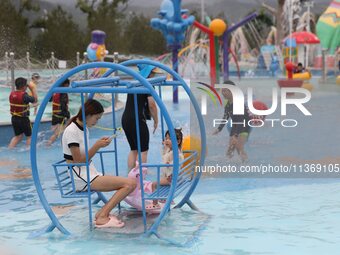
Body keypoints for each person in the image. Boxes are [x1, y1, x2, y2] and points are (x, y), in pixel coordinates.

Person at [62, 99, 136, 228]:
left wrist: (98, 145)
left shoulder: (83, 128)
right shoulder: (72, 131)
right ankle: (102, 215)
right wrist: (97, 146)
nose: (97, 121)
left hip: (89, 173)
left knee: (130, 183)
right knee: (129, 184)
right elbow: (78, 161)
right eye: (96, 118)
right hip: (81, 177)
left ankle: (102, 213)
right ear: (88, 115)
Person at [121, 63, 159, 170]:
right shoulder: (146, 84)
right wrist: (156, 120)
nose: (153, 76)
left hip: (125, 119)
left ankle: (130, 176)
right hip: (137, 119)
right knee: (143, 151)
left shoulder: (134, 82)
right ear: (148, 72)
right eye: (152, 73)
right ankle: (139, 179)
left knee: (134, 149)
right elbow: (152, 105)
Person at [212, 80, 251, 162]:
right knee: (230, 149)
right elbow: (225, 117)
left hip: (244, 126)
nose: (222, 93)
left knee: (239, 147)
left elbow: (241, 119)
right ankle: (227, 163)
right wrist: (219, 129)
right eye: (222, 91)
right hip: (235, 126)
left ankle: (247, 165)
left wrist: (236, 135)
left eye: (224, 90)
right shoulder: (228, 104)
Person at [8, 77, 36, 149]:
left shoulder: (12, 94)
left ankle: (10, 149)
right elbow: (35, 100)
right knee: (30, 136)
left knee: (18, 136)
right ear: (24, 86)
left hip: (14, 118)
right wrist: (32, 89)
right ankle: (28, 151)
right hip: (23, 119)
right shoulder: (24, 95)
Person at [47, 79, 71, 146]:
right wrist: (68, 115)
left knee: (58, 131)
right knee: (57, 133)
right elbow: (63, 106)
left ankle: (62, 144)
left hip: (54, 116)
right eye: (68, 85)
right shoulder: (63, 93)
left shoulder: (55, 91)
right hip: (60, 116)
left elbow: (49, 99)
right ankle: (48, 144)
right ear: (65, 84)